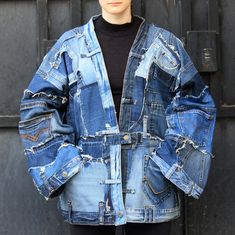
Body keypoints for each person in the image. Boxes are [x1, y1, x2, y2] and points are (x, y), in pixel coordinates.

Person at [18, 0, 216, 235]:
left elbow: (195, 102)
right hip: (87, 194)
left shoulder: (164, 44)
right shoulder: (71, 46)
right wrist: (68, 163)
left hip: (150, 192)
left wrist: (166, 163)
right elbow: (36, 106)